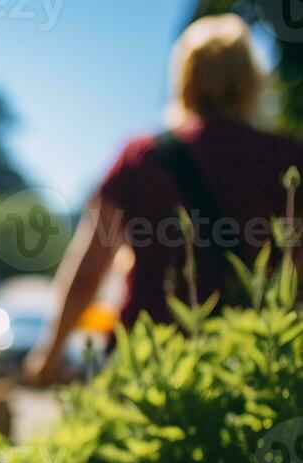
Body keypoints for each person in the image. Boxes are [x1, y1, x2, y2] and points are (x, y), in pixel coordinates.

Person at [26, 14, 303, 385]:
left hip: (148, 373)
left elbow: (88, 273)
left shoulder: (141, 157)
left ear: (183, 81)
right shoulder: (286, 158)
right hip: (249, 373)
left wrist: (48, 357)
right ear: (252, 81)